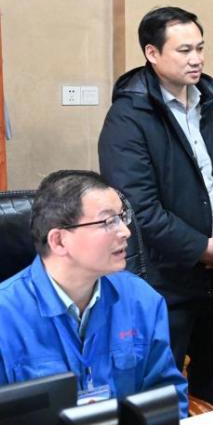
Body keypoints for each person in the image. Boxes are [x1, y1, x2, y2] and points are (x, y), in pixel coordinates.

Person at [98, 6, 213, 408]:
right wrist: (201, 247)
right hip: (161, 280)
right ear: (152, 53)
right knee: (159, 394)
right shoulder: (129, 116)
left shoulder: (211, 102)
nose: (196, 58)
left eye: (200, 48)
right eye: (184, 50)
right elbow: (138, 208)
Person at [0, 171, 188, 416]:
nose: (126, 232)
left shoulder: (142, 300)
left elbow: (167, 399)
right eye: (108, 221)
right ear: (59, 241)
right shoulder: (5, 316)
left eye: (122, 217)